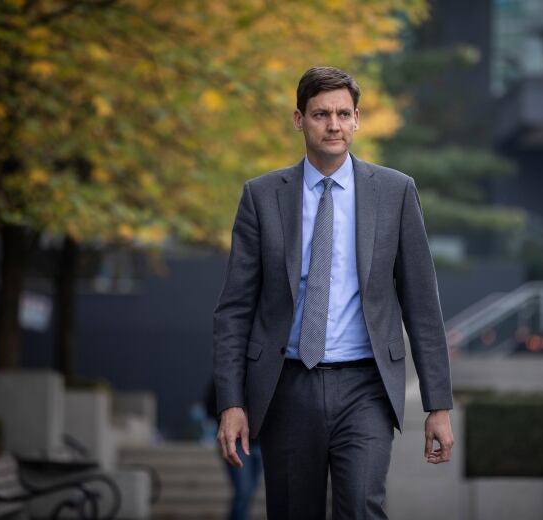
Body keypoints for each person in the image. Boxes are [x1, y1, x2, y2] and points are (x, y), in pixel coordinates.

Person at [213, 66, 453, 520]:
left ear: (358, 119)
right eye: (321, 113)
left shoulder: (396, 192)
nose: (334, 124)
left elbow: (422, 304)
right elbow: (234, 311)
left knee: (362, 506)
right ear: (299, 119)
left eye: (344, 113)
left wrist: (437, 406)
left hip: (366, 386)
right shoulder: (261, 197)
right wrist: (232, 402)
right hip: (286, 386)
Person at [205, 380, 263, 520]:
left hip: (259, 443)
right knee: (243, 490)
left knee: (249, 491)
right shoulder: (225, 378)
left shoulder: (261, 374)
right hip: (236, 442)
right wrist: (230, 412)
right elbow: (210, 407)